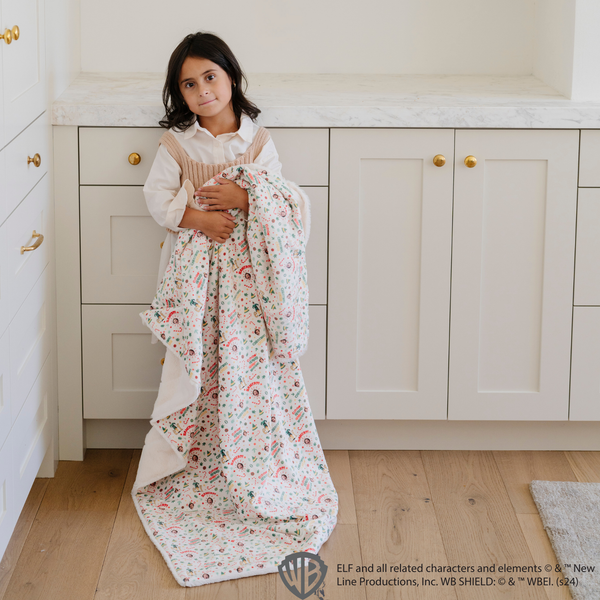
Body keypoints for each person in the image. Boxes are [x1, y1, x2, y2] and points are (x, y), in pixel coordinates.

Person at [143, 31, 310, 314]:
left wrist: (243, 198)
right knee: (192, 342)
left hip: (248, 271)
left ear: (230, 75)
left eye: (210, 77)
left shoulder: (257, 142)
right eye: (189, 84)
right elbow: (157, 199)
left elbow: (280, 200)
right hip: (193, 274)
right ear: (180, 93)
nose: (203, 91)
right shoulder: (177, 144)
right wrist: (200, 219)